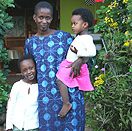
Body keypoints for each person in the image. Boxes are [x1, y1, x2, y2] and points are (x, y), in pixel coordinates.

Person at [24, 1, 88, 130]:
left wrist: (80, 61)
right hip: (45, 96)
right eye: (41, 17)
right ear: (34, 17)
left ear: (52, 18)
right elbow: (29, 70)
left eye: (48, 18)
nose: (44, 21)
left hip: (70, 92)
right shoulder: (30, 43)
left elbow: (84, 55)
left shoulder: (63, 37)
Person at [56, 8, 96, 117]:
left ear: (85, 25)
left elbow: (92, 52)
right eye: (72, 24)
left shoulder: (87, 38)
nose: (72, 26)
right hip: (69, 63)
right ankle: (66, 102)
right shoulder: (80, 37)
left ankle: (66, 104)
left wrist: (78, 52)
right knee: (60, 80)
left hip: (73, 65)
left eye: (75, 23)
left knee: (60, 81)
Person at [6, 54, 39, 131]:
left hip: (34, 127)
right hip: (17, 126)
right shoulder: (17, 86)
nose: (29, 72)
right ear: (21, 72)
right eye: (24, 70)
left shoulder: (40, 87)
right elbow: (11, 107)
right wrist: (9, 127)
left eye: (31, 68)